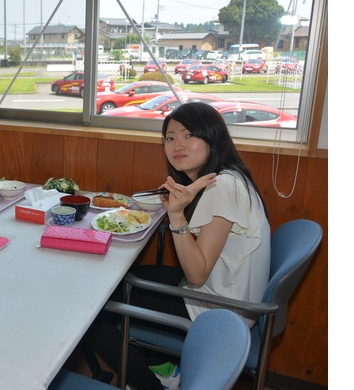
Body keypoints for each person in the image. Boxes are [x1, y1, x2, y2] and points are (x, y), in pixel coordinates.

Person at [91, 102, 271, 390]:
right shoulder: (228, 177)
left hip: (221, 310)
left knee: (95, 309)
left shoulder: (221, 187)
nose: (178, 145)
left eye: (189, 136)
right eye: (170, 138)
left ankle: (148, 385)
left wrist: (176, 216)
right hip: (227, 295)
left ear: (213, 138)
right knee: (120, 282)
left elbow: (197, 273)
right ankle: (166, 371)